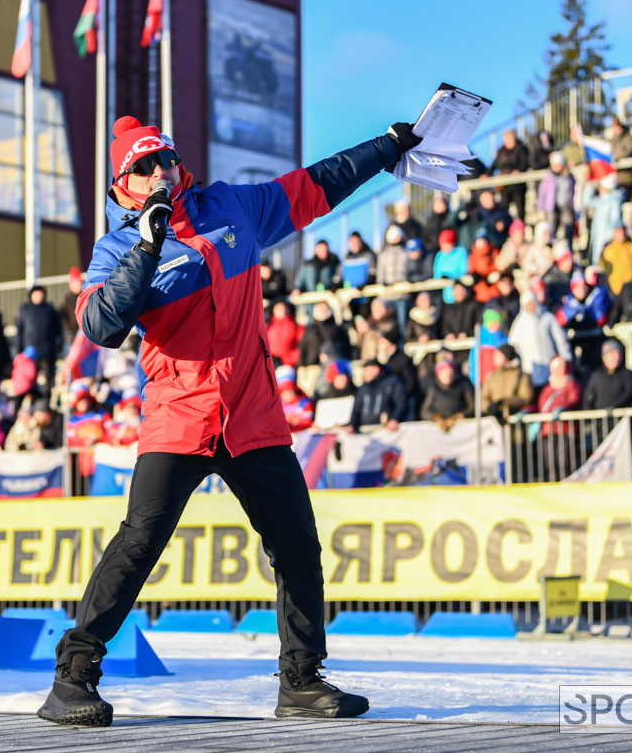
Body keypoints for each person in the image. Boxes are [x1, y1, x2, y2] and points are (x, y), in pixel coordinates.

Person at [39, 114, 419, 726]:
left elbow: (315, 184)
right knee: (139, 542)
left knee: (296, 544)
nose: (161, 170)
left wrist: (388, 147)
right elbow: (103, 326)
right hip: (179, 414)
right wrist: (147, 243)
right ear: (122, 184)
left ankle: (301, 680)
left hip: (251, 411)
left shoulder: (230, 208)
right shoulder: (113, 250)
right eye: (144, 166)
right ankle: (72, 677)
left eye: (165, 159)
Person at [508, 292, 571, 388]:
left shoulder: (548, 318)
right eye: (527, 304)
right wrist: (516, 362)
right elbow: (513, 345)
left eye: (532, 303)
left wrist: (566, 358)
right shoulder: (519, 323)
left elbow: (561, 340)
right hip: (529, 368)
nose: (530, 306)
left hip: (550, 365)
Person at [16, 286, 62, 390]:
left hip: (47, 350)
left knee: (48, 377)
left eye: (40, 294)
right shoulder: (24, 310)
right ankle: (34, 401)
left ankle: (46, 401)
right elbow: (20, 330)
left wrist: (58, 343)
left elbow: (57, 328)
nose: (38, 297)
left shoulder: (49, 309)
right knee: (30, 378)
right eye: (36, 294)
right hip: (30, 351)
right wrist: (19, 348)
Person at [347, 359, 407, 431]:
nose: (364, 374)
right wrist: (352, 424)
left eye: (366, 371)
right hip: (364, 431)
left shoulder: (392, 383)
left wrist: (395, 419)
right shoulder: (362, 388)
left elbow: (401, 404)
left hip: (386, 430)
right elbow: (356, 409)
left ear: (376, 369)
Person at [480, 343, 533, 421]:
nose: (494, 358)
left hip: (515, 421)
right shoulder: (492, 376)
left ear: (506, 356)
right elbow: (483, 398)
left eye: (498, 355)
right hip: (494, 421)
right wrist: (490, 408)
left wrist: (504, 403)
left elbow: (526, 397)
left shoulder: (521, 375)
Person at [583, 340, 632, 410]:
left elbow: (628, 394)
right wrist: (589, 416)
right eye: (612, 354)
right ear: (604, 357)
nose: (616, 357)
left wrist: (614, 408)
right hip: (599, 419)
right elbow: (588, 398)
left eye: (618, 354)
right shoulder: (596, 375)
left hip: (621, 419)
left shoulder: (627, 374)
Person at [420, 360, 472, 426]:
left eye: (450, 370)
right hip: (440, 429)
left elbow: (472, 407)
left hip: (461, 427)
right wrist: (437, 418)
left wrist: (458, 416)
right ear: (439, 374)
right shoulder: (433, 388)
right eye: (444, 371)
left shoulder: (463, 385)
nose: (448, 374)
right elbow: (425, 412)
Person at [491, 129, 529, 220]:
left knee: (520, 209)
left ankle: (521, 226)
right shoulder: (501, 151)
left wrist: (519, 170)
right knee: (504, 209)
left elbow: (525, 163)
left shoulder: (521, 149)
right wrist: (486, 174)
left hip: (518, 185)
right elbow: (494, 164)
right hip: (505, 185)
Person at [600, 223, 632, 295]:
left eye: (623, 231)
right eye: (618, 232)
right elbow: (605, 269)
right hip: (615, 287)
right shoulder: (608, 250)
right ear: (614, 233)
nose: (621, 234)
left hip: (631, 287)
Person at [433, 229, 469, 303]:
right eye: (443, 245)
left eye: (447, 244)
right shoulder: (440, 255)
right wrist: (442, 277)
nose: (445, 247)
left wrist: (450, 276)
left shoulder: (460, 253)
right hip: (445, 293)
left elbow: (464, 269)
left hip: (459, 289)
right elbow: (437, 273)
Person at [275, 366, 314, 433]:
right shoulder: (277, 406)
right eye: (285, 391)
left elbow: (307, 423)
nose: (289, 393)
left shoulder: (305, 403)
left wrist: (288, 423)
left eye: (291, 390)